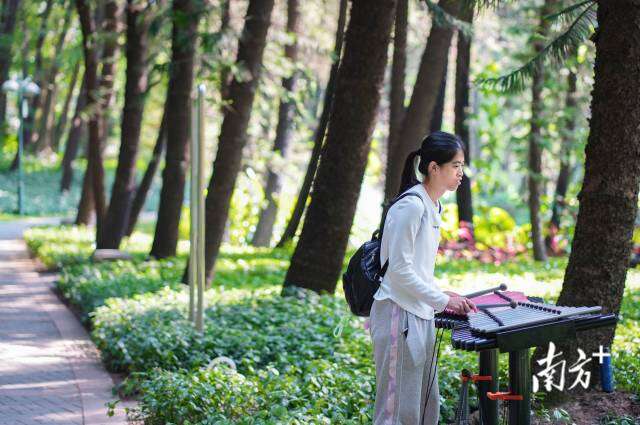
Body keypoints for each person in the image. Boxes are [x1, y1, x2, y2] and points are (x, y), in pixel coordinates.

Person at [370, 131, 477, 425]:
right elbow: (399, 271)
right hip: (397, 313)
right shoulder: (412, 206)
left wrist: (445, 295)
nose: (461, 173)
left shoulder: (432, 205)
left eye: (462, 165)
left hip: (419, 313)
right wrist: (443, 301)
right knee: (395, 410)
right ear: (433, 167)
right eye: (455, 165)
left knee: (423, 404)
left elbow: (417, 270)